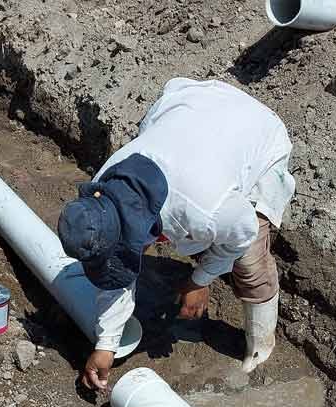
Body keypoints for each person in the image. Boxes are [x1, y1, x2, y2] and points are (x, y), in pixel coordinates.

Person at [57, 78, 296, 390]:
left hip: (258, 133)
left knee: (249, 260)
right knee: (182, 237)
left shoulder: (206, 207)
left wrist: (200, 281)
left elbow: (243, 234)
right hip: (187, 115)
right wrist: (107, 344)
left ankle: (260, 346)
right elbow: (117, 268)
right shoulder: (105, 186)